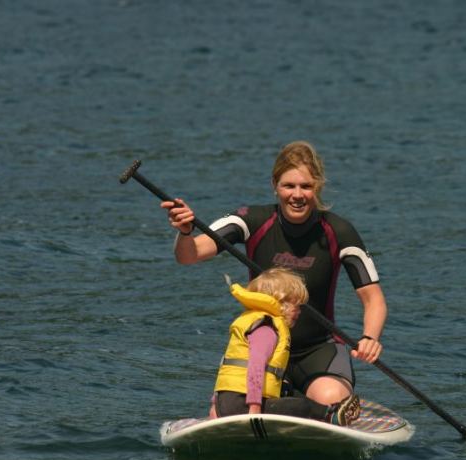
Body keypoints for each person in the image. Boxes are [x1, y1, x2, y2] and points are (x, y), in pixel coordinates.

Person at [160, 140, 386, 408]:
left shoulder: (339, 231)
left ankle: (310, 403)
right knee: (228, 409)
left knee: (332, 399)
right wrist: (185, 231)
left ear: (318, 186)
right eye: (288, 186)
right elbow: (189, 255)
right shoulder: (251, 220)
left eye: (306, 186)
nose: (297, 195)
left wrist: (370, 337)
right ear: (275, 185)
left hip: (316, 350)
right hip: (259, 344)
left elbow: (373, 299)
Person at [212, 267, 361, 426]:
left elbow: (224, 370)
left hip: (227, 403)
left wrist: (215, 405)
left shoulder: (251, 321)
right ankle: (329, 415)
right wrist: (254, 408)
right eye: (296, 305)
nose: (299, 311)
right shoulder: (267, 329)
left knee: (286, 389)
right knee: (300, 407)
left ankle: (330, 413)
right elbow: (255, 366)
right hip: (243, 405)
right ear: (280, 302)